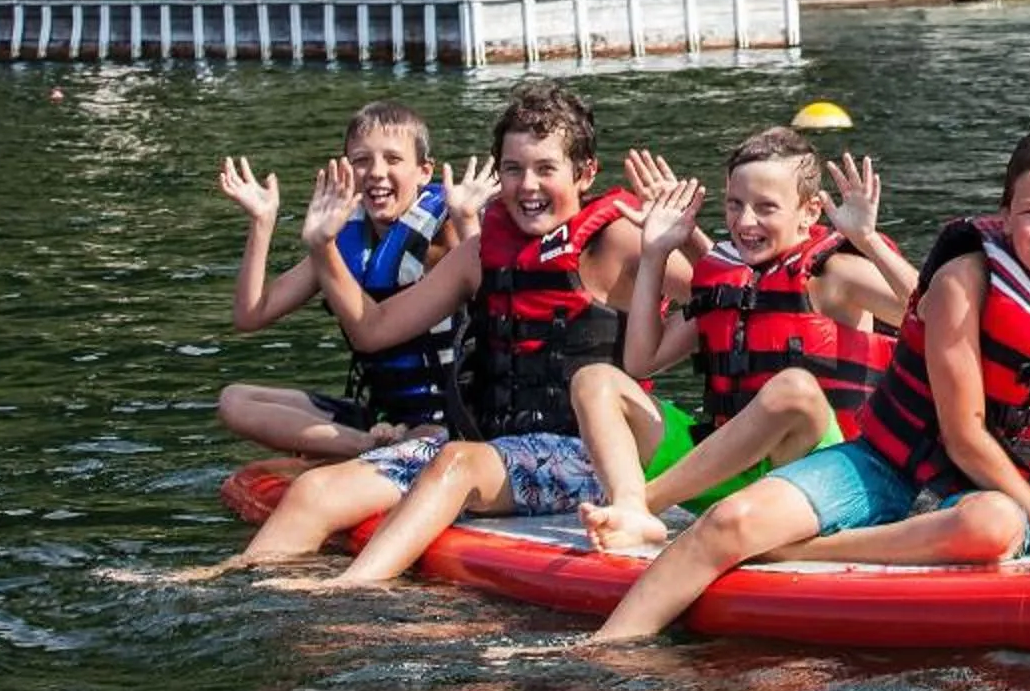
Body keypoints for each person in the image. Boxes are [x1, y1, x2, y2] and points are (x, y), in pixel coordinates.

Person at [587, 114, 1030, 644]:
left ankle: (791, 554)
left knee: (991, 525)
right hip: (884, 462)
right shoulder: (960, 284)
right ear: (1006, 213)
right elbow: (963, 432)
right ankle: (602, 652)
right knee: (725, 523)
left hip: (981, 497)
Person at [204, 80, 697, 589]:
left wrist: (666, 335)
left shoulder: (619, 242)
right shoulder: (480, 254)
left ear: (585, 172)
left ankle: (347, 589)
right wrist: (323, 246)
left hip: (589, 459)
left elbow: (727, 294)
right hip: (490, 446)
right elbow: (373, 331)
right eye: (513, 169)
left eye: (545, 169)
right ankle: (228, 583)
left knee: (457, 462)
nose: (527, 185)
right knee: (314, 491)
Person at [569, 129, 916, 552]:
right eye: (735, 204)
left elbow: (931, 312)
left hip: (814, 476)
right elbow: (642, 361)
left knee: (794, 390)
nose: (745, 222)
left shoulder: (835, 276)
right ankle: (631, 507)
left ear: (809, 212)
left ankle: (647, 502)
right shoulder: (726, 282)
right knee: (595, 380)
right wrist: (656, 252)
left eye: (766, 207)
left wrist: (869, 241)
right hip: (725, 474)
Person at [214, 100, 468, 459]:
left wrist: (469, 218)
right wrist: (261, 223)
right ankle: (370, 446)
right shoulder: (343, 239)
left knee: (431, 435)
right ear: (347, 171)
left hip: (445, 417)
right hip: (377, 416)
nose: (376, 172)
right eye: (362, 160)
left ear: (424, 171)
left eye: (393, 160)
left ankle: (384, 447)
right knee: (234, 401)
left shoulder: (443, 233)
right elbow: (250, 315)